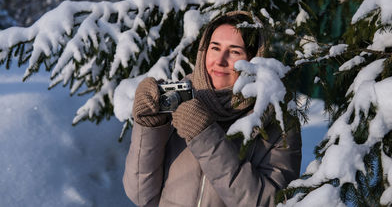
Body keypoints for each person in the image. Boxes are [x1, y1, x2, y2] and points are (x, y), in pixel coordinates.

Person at [123, 11, 302, 207]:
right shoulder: (178, 104)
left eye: (234, 51)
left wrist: (204, 135)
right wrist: (149, 127)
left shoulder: (276, 120)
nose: (220, 60)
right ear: (203, 51)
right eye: (215, 48)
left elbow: (270, 203)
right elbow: (140, 196)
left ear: (254, 60)